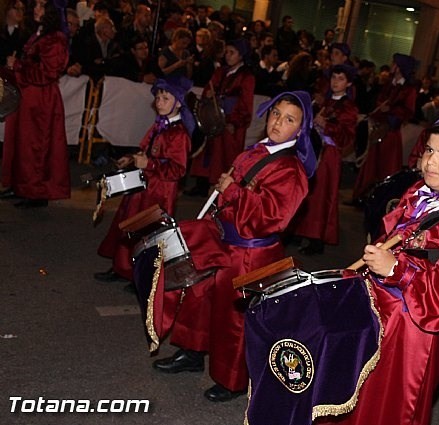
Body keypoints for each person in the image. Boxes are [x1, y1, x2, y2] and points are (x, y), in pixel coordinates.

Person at [315, 107, 439, 425]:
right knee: (353, 394)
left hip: (414, 335)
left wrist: (396, 270)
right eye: (429, 149)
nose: (430, 161)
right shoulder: (418, 193)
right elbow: (392, 238)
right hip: (377, 316)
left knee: (389, 408)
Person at [152, 91, 316, 403]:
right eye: (276, 113)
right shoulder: (255, 151)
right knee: (199, 296)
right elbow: (236, 187)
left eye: (289, 119)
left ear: (300, 129)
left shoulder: (292, 171)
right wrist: (226, 188)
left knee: (235, 318)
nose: (278, 122)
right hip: (223, 238)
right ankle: (192, 350)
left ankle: (232, 380)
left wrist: (235, 193)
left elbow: (273, 218)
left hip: (251, 253)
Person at [94, 76, 194, 282]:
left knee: (149, 233)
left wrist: (149, 164)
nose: (159, 102)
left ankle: (141, 275)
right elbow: (146, 151)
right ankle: (122, 266)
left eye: (165, 98)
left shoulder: (179, 134)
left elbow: (178, 169)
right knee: (129, 224)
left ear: (178, 102)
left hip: (159, 193)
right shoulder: (159, 126)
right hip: (142, 186)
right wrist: (131, 158)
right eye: (158, 98)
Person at [1, 0, 70, 208]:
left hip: (40, 100)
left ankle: (35, 191)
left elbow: (47, 73)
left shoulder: (56, 39)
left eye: (41, 5)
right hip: (29, 96)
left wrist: (18, 65)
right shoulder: (40, 34)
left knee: (35, 145)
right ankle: (20, 185)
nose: (36, 9)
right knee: (21, 143)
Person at [288, 64, 359, 255]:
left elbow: (347, 136)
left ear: (348, 83)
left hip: (329, 155)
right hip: (313, 150)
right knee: (307, 190)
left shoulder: (349, 107)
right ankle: (299, 230)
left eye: (341, 79)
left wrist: (326, 126)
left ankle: (316, 238)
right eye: (334, 78)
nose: (335, 82)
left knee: (322, 194)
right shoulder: (325, 102)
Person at [186, 38, 255, 196]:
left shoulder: (246, 77)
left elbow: (246, 103)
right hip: (214, 118)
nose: (228, 56)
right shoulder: (220, 72)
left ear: (241, 55)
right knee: (209, 152)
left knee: (224, 157)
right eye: (227, 52)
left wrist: (235, 122)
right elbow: (208, 89)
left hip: (230, 122)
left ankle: (222, 189)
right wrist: (208, 94)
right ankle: (203, 185)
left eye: (232, 52)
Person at [351, 53, 417, 203]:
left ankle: (382, 199)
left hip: (391, 132)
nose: (391, 65)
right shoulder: (389, 84)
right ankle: (363, 195)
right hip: (378, 127)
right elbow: (379, 100)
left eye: (394, 63)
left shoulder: (409, 89)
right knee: (370, 164)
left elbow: (408, 111)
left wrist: (391, 112)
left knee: (386, 166)